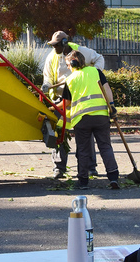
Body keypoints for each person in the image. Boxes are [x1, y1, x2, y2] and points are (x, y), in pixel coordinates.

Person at [42, 31, 104, 179]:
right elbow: (48, 77)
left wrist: (93, 74)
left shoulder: (81, 52)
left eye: (56, 45)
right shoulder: (52, 57)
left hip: (80, 99)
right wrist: (46, 85)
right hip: (61, 100)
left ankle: (90, 167)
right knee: (59, 134)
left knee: (85, 133)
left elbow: (99, 59)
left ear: (64, 43)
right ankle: (59, 167)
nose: (54, 48)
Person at [57, 50, 119, 190]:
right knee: (105, 146)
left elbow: (66, 103)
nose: (68, 67)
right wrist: (112, 106)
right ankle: (113, 177)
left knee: (83, 149)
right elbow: (107, 89)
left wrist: (52, 106)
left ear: (73, 63)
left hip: (82, 119)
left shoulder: (71, 79)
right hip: (101, 116)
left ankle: (83, 181)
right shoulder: (96, 71)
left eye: (68, 64)